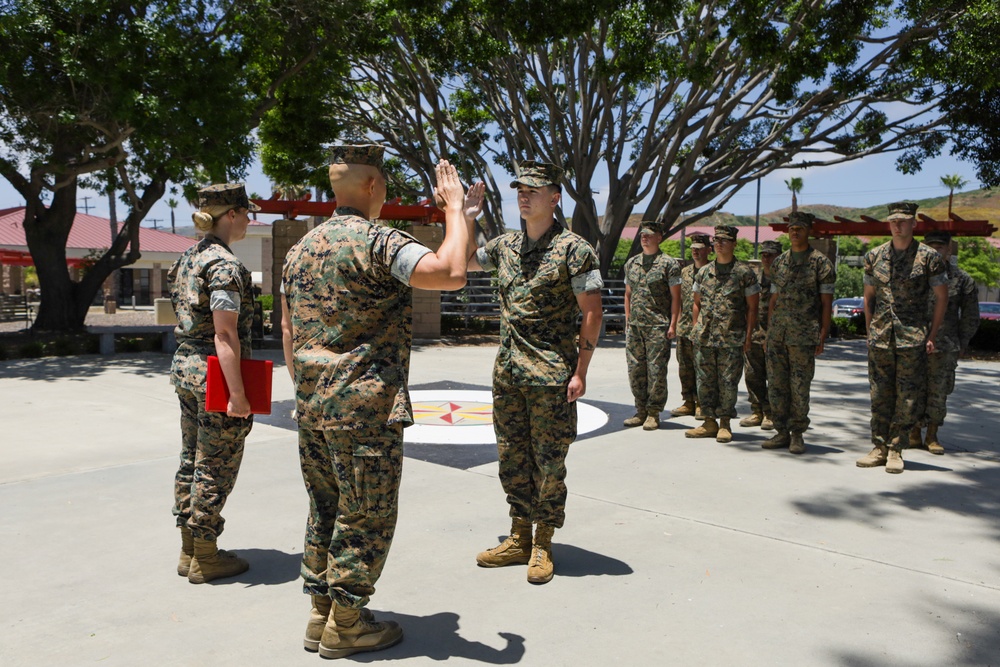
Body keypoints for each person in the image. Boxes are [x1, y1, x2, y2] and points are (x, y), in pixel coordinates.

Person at [281, 147, 471, 658]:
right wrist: (454, 208)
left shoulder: (301, 250)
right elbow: (450, 273)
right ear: (371, 187)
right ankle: (348, 625)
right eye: (384, 184)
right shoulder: (379, 241)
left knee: (326, 508)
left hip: (313, 405)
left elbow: (288, 330)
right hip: (364, 409)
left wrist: (309, 391)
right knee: (366, 514)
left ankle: (321, 611)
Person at [468, 160, 603, 585]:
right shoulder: (505, 246)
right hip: (508, 374)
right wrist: (465, 218)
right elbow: (466, 261)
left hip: (550, 377)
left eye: (533, 189)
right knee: (511, 459)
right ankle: (518, 537)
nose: (523, 195)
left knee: (549, 463)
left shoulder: (575, 250)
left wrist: (580, 370)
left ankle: (543, 541)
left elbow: (593, 313)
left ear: (554, 197)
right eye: (519, 189)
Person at [168, 183, 257, 584]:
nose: (249, 220)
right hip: (214, 374)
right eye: (245, 212)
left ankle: (189, 549)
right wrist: (237, 393)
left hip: (187, 368)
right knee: (215, 463)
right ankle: (206, 555)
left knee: (192, 457)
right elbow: (225, 335)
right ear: (232, 215)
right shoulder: (223, 265)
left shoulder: (188, 257)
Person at [857, 203, 948, 474]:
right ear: (889, 223)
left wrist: (931, 335)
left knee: (907, 397)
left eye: (904, 221)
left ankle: (896, 449)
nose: (898, 225)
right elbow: (868, 297)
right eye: (894, 220)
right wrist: (870, 331)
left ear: (914, 224)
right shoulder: (874, 256)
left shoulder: (928, 257)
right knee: (879, 394)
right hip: (881, 336)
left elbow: (942, 297)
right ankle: (878, 447)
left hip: (912, 337)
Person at [762, 214, 835, 454]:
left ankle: (797, 434)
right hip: (778, 335)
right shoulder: (779, 262)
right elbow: (773, 299)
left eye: (799, 229)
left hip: (803, 335)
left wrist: (822, 334)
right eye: (791, 229)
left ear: (808, 231)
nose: (794, 232)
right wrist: (770, 331)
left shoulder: (820, 263)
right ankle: (781, 431)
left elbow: (826, 303)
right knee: (777, 385)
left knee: (800, 386)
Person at [686, 225, 760, 443]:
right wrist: (695, 328)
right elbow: (696, 303)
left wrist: (748, 337)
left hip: (731, 338)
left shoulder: (744, 273)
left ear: (734, 244)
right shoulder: (704, 271)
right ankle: (709, 422)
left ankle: (725, 422)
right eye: (716, 240)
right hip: (705, 337)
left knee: (728, 382)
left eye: (724, 240)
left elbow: (752, 308)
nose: (718, 244)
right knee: (705, 381)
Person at [909, 230, 979, 455]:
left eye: (940, 247)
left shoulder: (961, 279)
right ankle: (912, 432)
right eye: (931, 246)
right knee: (912, 388)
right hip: (913, 342)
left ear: (949, 250)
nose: (936, 251)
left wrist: (963, 341)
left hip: (945, 344)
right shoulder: (913, 277)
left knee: (939, 391)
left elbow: (970, 315)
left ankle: (932, 434)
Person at [622, 220, 682, 430]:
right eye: (642, 235)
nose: (644, 238)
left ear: (659, 237)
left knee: (656, 371)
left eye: (648, 234)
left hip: (658, 325)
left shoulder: (668, 264)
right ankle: (640, 410)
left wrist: (673, 324)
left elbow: (676, 298)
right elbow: (628, 294)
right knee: (635, 369)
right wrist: (628, 320)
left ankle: (654, 413)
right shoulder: (632, 263)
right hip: (636, 326)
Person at [739, 240, 779, 431]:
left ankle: (771, 414)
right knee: (753, 376)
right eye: (764, 254)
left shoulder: (783, 280)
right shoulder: (754, 279)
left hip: (775, 337)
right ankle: (757, 411)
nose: (766, 258)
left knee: (773, 377)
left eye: (770, 255)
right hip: (755, 335)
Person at [670, 232, 711, 419]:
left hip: (704, 330)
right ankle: (688, 401)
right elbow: (677, 299)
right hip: (685, 327)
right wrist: (676, 323)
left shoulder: (712, 271)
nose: (695, 252)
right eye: (693, 249)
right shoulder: (685, 272)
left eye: (699, 249)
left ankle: (702, 403)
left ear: (708, 251)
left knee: (702, 367)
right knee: (684, 367)